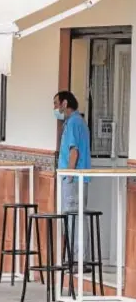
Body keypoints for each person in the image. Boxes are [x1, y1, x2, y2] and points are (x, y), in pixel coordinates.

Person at [53, 90, 91, 273]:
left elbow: (73, 152)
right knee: (78, 218)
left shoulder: (73, 123)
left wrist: (68, 176)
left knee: (72, 219)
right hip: (78, 179)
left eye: (56, 104)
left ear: (65, 104)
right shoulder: (79, 122)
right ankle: (79, 259)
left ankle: (77, 260)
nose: (55, 108)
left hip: (73, 179)